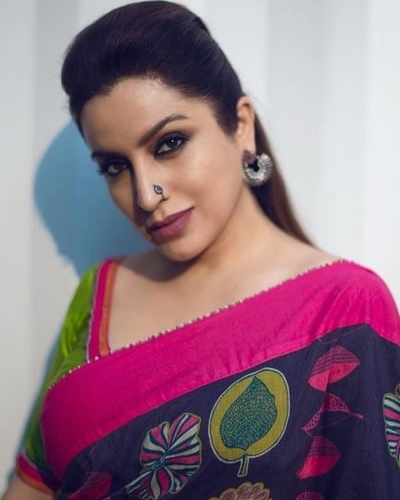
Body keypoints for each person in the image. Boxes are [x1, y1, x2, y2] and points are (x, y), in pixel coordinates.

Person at [3, 1, 400, 499]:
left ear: (241, 126)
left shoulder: (344, 308)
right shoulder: (99, 292)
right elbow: (35, 484)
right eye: (114, 167)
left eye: (169, 143)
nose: (146, 195)